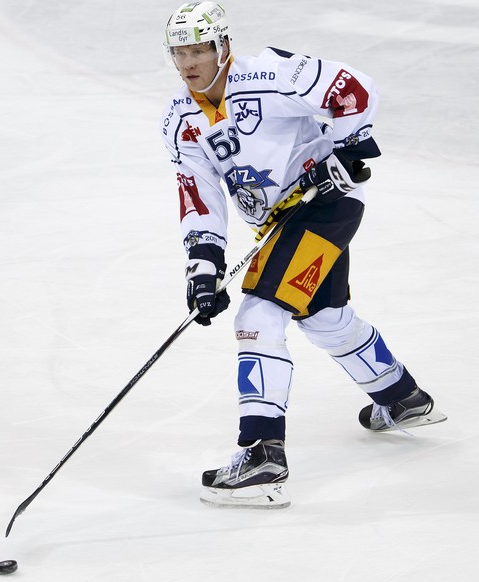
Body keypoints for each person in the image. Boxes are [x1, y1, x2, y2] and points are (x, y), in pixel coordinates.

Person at [160, 1, 446, 508]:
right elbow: (199, 194)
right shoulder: (180, 122)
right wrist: (203, 266)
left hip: (326, 204)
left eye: (199, 49)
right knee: (326, 317)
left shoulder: (268, 73)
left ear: (223, 45)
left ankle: (263, 454)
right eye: (180, 52)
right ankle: (402, 398)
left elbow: (353, 88)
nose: (189, 62)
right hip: (280, 224)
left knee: (259, 315)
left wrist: (345, 148)